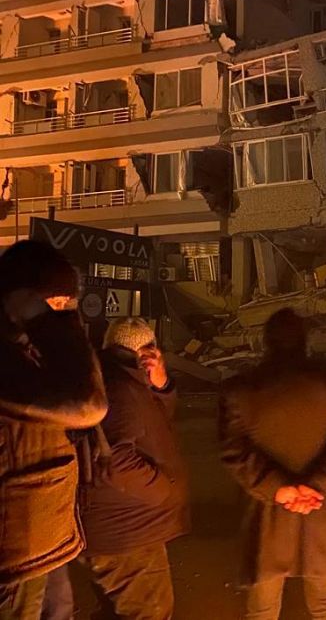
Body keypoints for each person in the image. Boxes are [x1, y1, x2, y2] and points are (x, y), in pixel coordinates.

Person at [220, 308, 326, 620]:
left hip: (266, 512)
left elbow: (234, 450)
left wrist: (279, 489)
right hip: (319, 508)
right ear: (305, 340)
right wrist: (317, 485)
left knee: (262, 608)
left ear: (266, 341)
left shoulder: (240, 389)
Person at [0, 241, 107, 620]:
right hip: (14, 557)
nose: (60, 316)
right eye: (54, 305)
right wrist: (49, 323)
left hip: (38, 543)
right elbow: (86, 403)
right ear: (20, 300)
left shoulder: (24, 353)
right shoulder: (6, 360)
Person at [77, 317, 190, 620]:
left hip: (121, 531)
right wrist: (163, 489)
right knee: (148, 614)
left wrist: (161, 384)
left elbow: (153, 421)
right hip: (129, 536)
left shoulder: (122, 379)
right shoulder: (119, 387)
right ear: (144, 351)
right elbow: (116, 459)